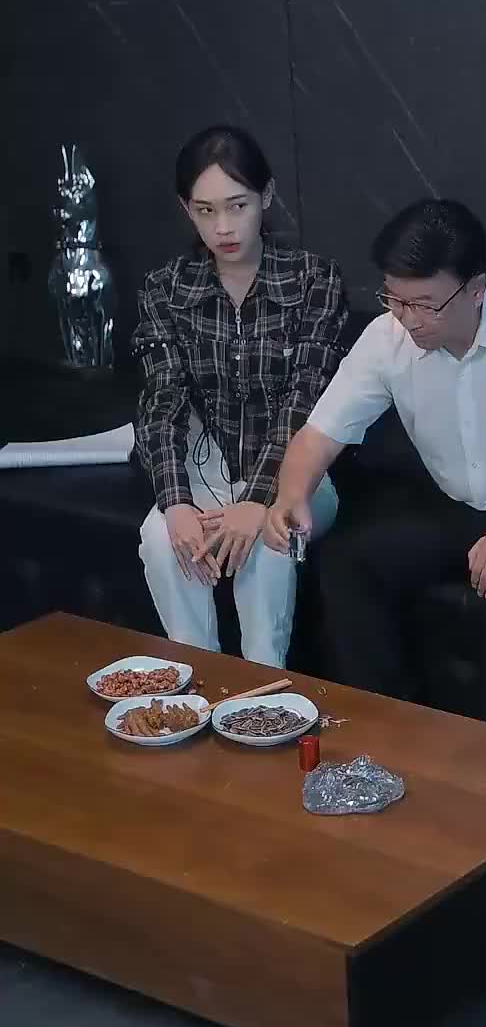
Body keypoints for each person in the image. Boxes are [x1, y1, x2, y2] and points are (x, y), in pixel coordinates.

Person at [265, 198, 486, 731]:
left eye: (425, 304)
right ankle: (391, 730)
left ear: (476, 289)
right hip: (457, 510)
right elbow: (319, 433)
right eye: (395, 299)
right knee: (347, 561)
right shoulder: (388, 335)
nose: (408, 319)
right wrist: (291, 495)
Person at [133, 125, 347, 667]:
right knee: (161, 538)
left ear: (266, 196)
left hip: (298, 475)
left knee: (270, 539)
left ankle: (262, 686)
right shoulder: (166, 288)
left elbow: (304, 399)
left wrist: (257, 499)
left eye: (237, 206)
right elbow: (161, 400)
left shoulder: (313, 280)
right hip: (204, 470)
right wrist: (175, 502)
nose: (223, 227)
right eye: (205, 211)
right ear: (186, 209)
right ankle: (193, 681)